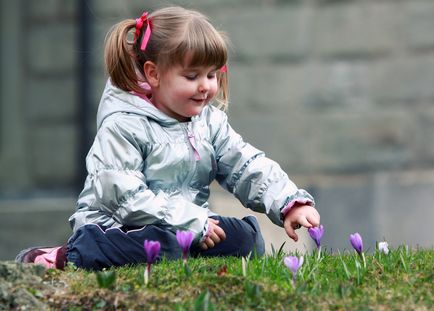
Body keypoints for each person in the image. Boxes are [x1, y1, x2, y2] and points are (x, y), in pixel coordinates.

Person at [16, 6, 320, 270]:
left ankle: (189, 254)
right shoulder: (124, 125)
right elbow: (125, 198)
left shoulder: (208, 122)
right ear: (154, 74)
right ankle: (68, 256)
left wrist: (289, 202)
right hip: (118, 227)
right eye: (192, 76)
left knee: (247, 238)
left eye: (212, 75)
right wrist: (189, 221)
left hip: (187, 225)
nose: (205, 87)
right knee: (165, 247)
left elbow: (245, 164)